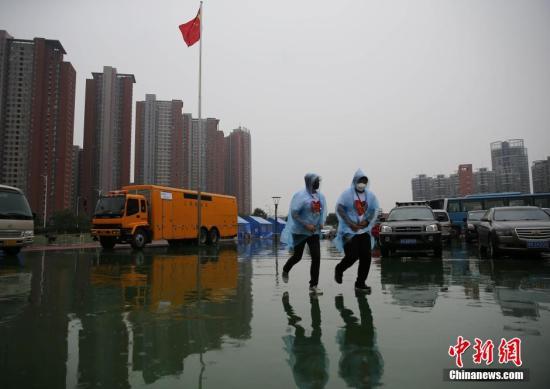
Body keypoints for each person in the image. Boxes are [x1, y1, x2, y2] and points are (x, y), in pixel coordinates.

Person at [333, 169, 380, 292]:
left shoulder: (370, 196)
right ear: (355, 181)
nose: (362, 183)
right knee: (352, 256)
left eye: (364, 181)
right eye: (360, 181)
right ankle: (339, 269)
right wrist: (350, 223)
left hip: (363, 231)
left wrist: (367, 221)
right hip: (349, 231)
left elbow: (374, 210)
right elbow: (339, 208)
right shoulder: (347, 194)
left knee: (366, 257)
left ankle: (360, 283)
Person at [281, 173, 327, 295]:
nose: (318, 183)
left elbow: (322, 212)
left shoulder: (320, 197)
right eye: (316, 181)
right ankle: (286, 269)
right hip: (300, 231)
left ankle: (313, 285)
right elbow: (294, 213)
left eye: (318, 181)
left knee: (316, 257)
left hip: (314, 232)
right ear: (309, 182)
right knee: (298, 256)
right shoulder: (300, 196)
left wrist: (321, 222)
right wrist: (306, 224)